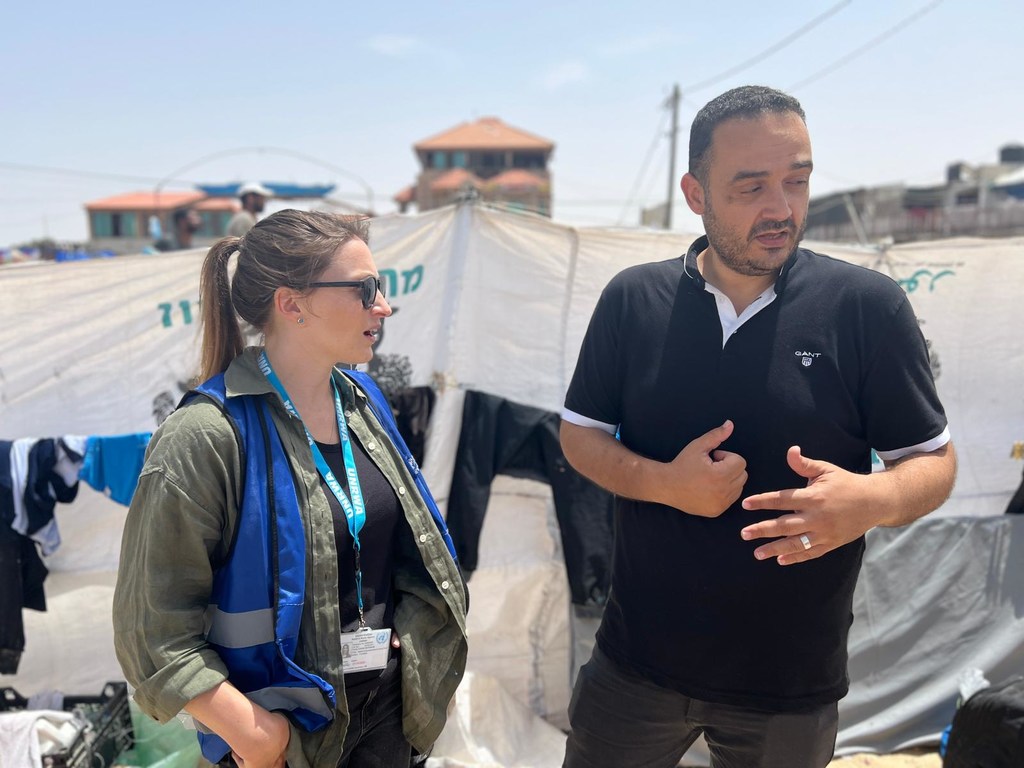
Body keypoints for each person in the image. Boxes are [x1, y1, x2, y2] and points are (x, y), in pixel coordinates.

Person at [559, 85, 957, 768]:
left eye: (796, 181)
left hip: (789, 687)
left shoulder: (866, 308)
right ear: (695, 193)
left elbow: (934, 462)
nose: (780, 209)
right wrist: (664, 484)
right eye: (750, 188)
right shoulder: (633, 299)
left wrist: (871, 500)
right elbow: (579, 437)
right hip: (634, 669)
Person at [113, 209, 468, 768]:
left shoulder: (364, 402)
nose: (384, 305)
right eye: (365, 289)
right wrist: (256, 739)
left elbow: (401, 547)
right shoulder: (205, 437)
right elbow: (152, 633)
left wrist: (408, 638)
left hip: (386, 719)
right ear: (291, 304)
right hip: (289, 739)